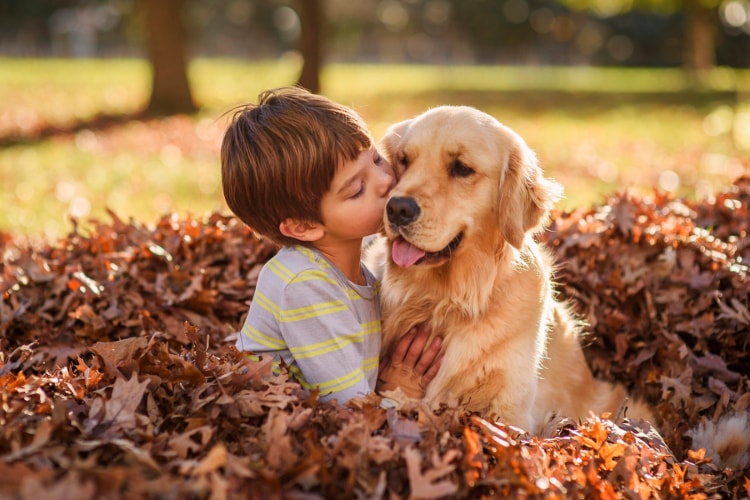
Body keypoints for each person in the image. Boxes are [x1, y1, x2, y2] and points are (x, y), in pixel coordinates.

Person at [221, 86, 441, 404]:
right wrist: (399, 391)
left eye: (377, 159)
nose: (385, 181)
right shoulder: (304, 285)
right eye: (356, 189)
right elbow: (351, 412)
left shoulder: (356, 268)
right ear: (304, 226)